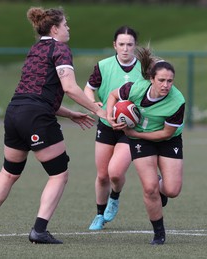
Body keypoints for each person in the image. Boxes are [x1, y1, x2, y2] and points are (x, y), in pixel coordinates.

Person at [0, 6, 105, 244]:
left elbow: (35, 95)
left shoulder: (35, 49)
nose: (68, 28)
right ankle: (39, 230)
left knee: (9, 172)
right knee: (59, 174)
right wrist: (97, 109)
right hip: (35, 117)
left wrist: (71, 114)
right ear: (54, 29)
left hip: (14, 113)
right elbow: (70, 88)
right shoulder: (60, 48)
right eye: (65, 25)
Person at [106, 46, 185, 245]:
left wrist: (135, 132)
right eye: (161, 80)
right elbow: (113, 96)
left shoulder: (177, 101)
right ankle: (159, 233)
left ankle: (161, 187)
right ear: (151, 79)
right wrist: (110, 117)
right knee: (149, 188)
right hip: (140, 140)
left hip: (168, 139)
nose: (166, 85)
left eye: (170, 81)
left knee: (172, 190)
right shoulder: (136, 88)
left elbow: (166, 133)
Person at [84, 26, 142, 230]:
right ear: (114, 45)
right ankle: (99, 215)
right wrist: (94, 104)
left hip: (131, 129)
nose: (125, 49)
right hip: (107, 125)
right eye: (121, 44)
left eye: (130, 44)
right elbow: (88, 89)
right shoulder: (103, 65)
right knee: (102, 175)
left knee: (115, 173)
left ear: (135, 46)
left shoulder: (145, 67)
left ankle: (114, 198)